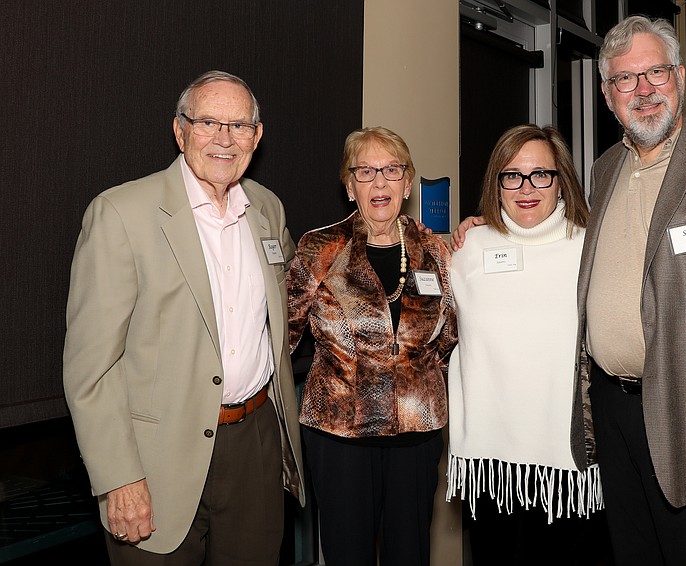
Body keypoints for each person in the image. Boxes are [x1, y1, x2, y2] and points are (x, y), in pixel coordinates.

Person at [453, 15, 686, 566]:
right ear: (607, 95)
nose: (642, 90)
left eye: (654, 72)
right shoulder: (606, 168)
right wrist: (481, 226)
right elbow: (548, 238)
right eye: (625, 79)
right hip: (611, 418)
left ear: (680, 76)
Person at [63, 70, 305, 564]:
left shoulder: (267, 209)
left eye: (239, 126)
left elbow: (287, 313)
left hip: (255, 445)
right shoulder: (121, 213)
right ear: (180, 130)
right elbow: (90, 368)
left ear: (257, 137)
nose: (224, 139)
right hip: (155, 460)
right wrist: (118, 477)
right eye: (207, 122)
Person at [287, 126, 457, 566]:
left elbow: (451, 335)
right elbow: (282, 334)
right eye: (365, 171)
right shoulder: (320, 248)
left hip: (415, 437)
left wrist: (413, 377)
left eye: (391, 170)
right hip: (339, 437)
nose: (379, 182)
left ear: (407, 184)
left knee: (410, 554)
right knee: (348, 555)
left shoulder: (435, 252)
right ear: (349, 186)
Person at [444, 124, 602, 565]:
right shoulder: (468, 248)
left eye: (540, 175)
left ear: (561, 181)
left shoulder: (590, 249)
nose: (526, 188)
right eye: (511, 175)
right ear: (496, 184)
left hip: (565, 457)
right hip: (490, 461)